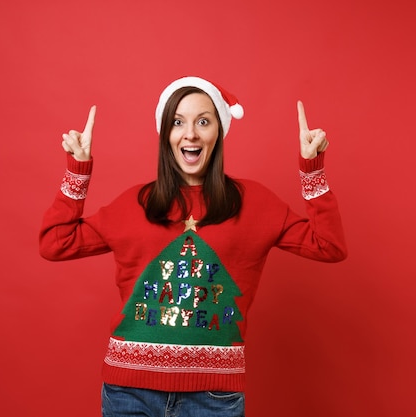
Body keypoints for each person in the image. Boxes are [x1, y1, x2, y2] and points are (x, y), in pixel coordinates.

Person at [39, 76, 347, 417]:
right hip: (129, 395)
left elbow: (329, 246)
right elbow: (56, 243)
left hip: (214, 398)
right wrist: (77, 173)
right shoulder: (134, 204)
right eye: (178, 122)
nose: (190, 134)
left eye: (203, 121)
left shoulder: (255, 203)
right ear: (165, 135)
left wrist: (312, 170)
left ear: (219, 131)